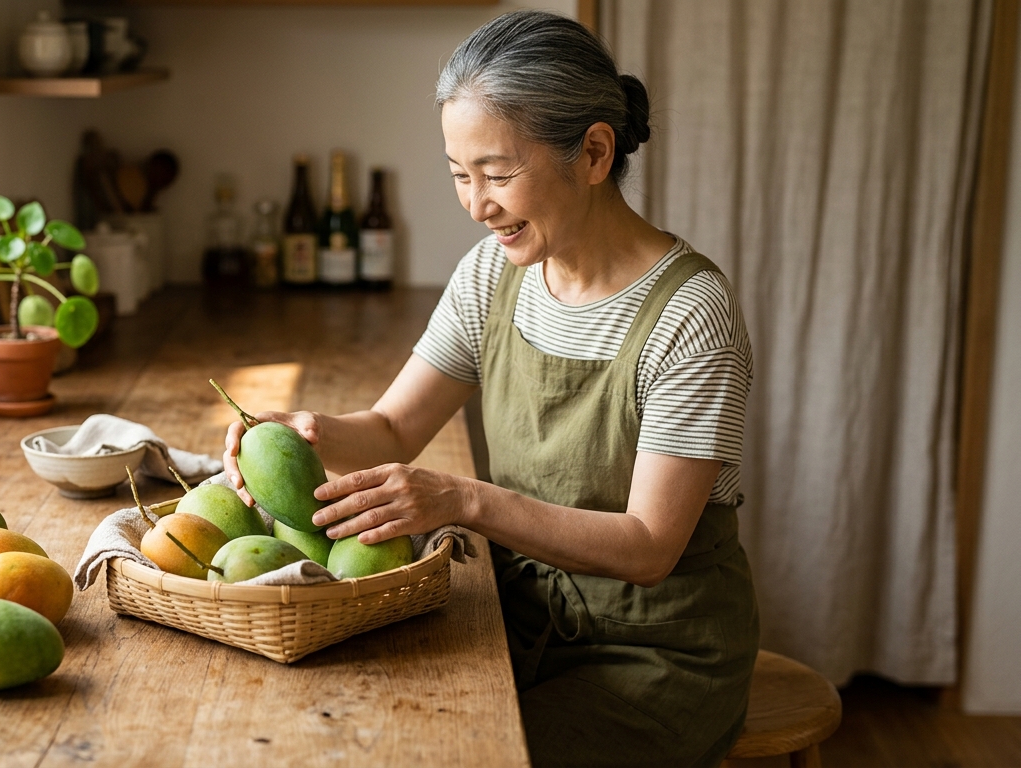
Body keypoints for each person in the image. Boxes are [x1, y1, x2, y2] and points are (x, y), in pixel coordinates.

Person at [223, 10, 758, 768]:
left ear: (595, 152)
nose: (476, 205)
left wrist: (464, 500)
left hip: (651, 656)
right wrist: (306, 430)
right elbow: (391, 428)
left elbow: (647, 548)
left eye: (498, 175)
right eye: (459, 176)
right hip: (514, 619)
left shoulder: (690, 314)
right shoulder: (491, 275)